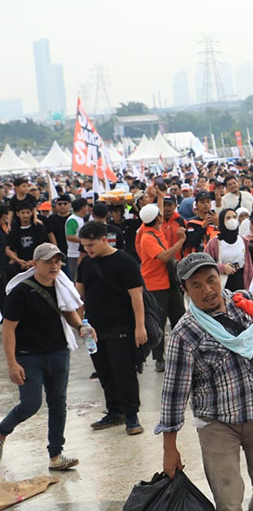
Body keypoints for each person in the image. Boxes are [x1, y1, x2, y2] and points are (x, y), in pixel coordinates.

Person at [157, 252, 253, 511]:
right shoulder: (185, 333)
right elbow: (174, 396)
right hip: (216, 425)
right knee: (228, 499)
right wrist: (170, 449)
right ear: (185, 290)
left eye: (211, 280)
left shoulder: (243, 302)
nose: (207, 290)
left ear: (220, 277)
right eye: (196, 285)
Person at [1, 243, 91, 471]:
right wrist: (12, 364)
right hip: (29, 357)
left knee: (58, 404)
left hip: (58, 353)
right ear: (35, 263)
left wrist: (81, 327)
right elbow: (9, 330)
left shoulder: (60, 286)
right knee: (31, 404)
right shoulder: (22, 292)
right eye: (48, 261)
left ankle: (56, 455)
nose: (54, 266)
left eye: (57, 261)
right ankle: (2, 430)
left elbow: (68, 313)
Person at [75, 220, 148, 435]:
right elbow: (79, 295)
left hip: (122, 327)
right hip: (95, 330)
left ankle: (132, 415)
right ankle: (114, 411)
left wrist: (140, 327)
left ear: (104, 240)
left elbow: (136, 296)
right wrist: (80, 324)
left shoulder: (125, 261)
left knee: (124, 371)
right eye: (85, 246)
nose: (88, 250)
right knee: (104, 371)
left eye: (91, 245)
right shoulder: (86, 264)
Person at [136, 203, 186, 373]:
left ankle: (182, 352)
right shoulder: (147, 237)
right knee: (159, 322)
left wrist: (160, 194)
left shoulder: (155, 229)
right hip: (156, 286)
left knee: (179, 318)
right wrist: (180, 241)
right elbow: (164, 256)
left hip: (169, 283)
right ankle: (159, 358)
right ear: (157, 218)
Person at [204, 208, 253, 292]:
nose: (232, 220)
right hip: (223, 283)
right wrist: (222, 268)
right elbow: (205, 264)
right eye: (228, 218)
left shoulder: (243, 241)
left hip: (241, 282)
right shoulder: (215, 242)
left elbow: (249, 267)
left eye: (234, 217)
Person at [64, 198, 89, 280]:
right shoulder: (73, 220)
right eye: (86, 206)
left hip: (81, 252)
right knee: (76, 278)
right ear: (83, 208)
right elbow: (70, 236)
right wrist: (85, 241)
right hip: (74, 254)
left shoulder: (80, 219)